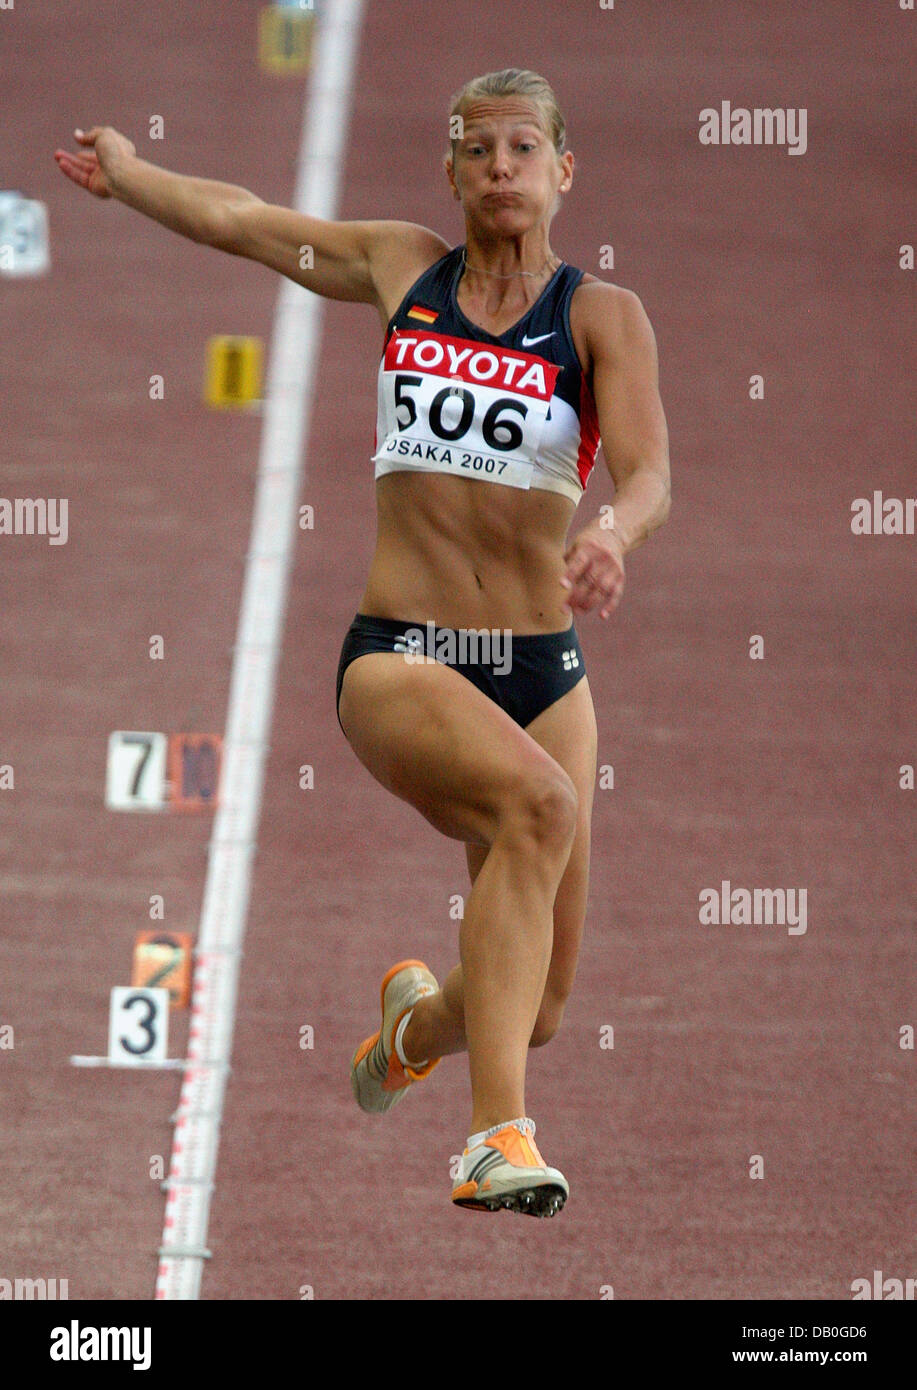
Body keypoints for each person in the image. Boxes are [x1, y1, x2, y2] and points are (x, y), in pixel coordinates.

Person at [55, 67, 671, 1218]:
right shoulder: (401, 268)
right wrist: (133, 180)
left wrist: (615, 533)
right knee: (537, 809)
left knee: (530, 1007)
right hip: (404, 653)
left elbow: (646, 472)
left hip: (542, 672)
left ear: (561, 171)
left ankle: (411, 1029)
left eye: (521, 149)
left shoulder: (601, 319)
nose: (499, 169)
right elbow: (247, 223)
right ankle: (495, 1136)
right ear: (448, 170)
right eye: (475, 150)